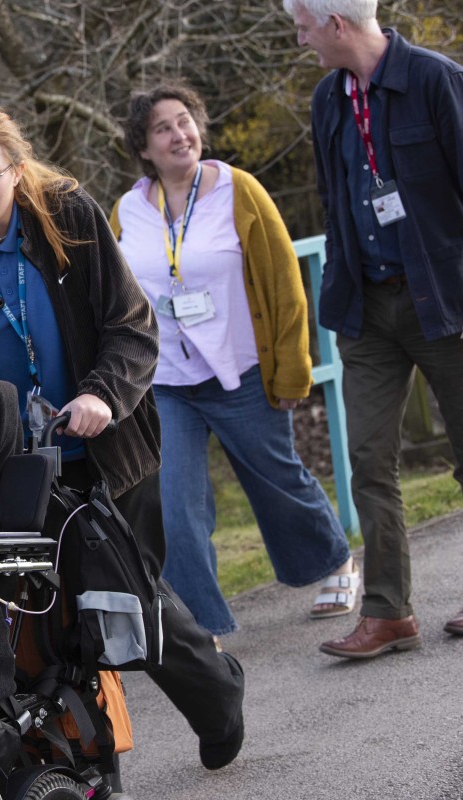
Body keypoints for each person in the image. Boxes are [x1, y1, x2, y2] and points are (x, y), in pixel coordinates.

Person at [0, 104, 246, 771]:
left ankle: (217, 696)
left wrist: (101, 394)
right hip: (25, 471)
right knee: (60, 621)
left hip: (111, 451)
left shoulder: (68, 218)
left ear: (16, 170)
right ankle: (94, 767)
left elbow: (132, 325)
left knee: (130, 601)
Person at [108, 84, 357, 639]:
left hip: (240, 371)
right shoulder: (127, 210)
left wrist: (293, 368)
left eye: (185, 121)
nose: (180, 134)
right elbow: (116, 295)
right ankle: (201, 627)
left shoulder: (238, 190)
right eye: (163, 128)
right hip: (165, 381)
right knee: (174, 503)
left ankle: (335, 562)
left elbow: (284, 285)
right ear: (143, 147)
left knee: (275, 479)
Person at [283, 0, 463, 656]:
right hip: (367, 310)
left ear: (335, 24)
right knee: (367, 460)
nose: (300, 40)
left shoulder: (436, 79)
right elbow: (333, 199)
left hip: (444, 300)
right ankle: (389, 612)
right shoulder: (328, 99)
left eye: (303, 26)